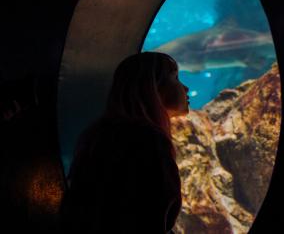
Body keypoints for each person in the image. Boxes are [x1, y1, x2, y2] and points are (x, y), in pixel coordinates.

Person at [59, 52, 190, 234]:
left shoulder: (102, 133)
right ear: (151, 87)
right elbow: (152, 215)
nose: (186, 88)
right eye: (174, 77)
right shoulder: (147, 139)